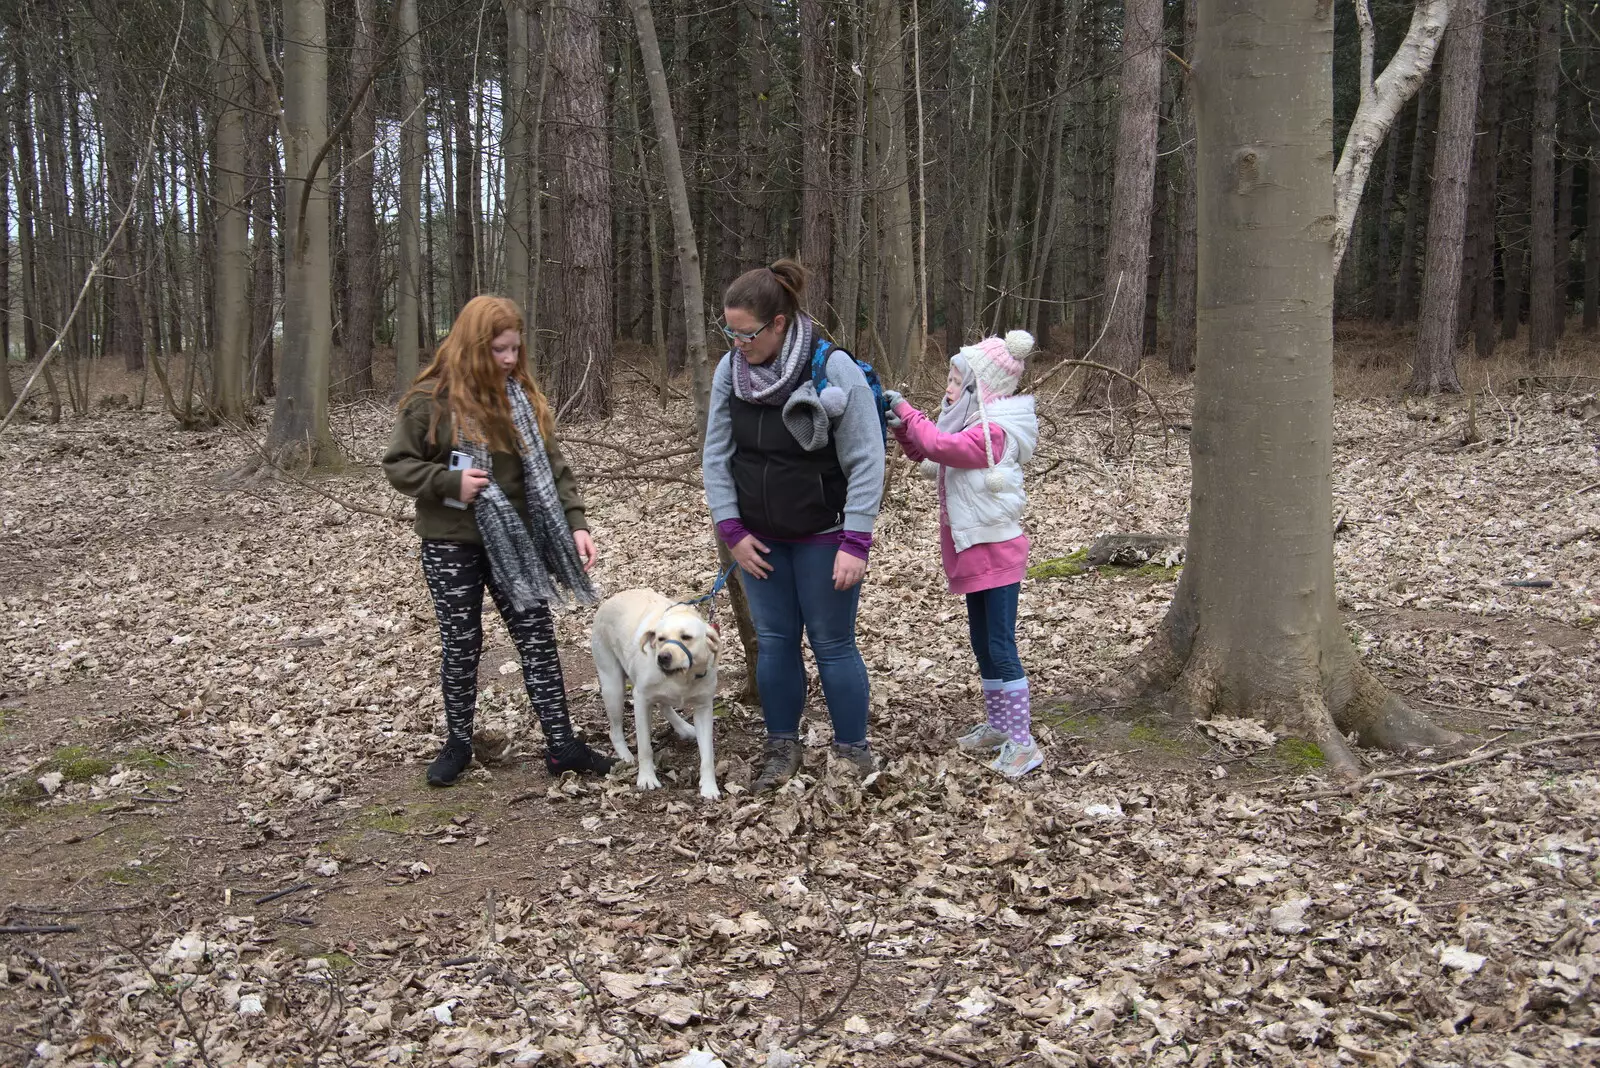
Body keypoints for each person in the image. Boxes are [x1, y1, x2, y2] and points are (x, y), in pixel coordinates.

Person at [382, 295, 615, 787]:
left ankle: (561, 745)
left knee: (537, 638)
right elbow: (399, 465)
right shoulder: (431, 400)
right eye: (498, 350)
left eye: (515, 348)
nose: (510, 359)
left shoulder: (522, 399)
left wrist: (577, 522)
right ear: (472, 347)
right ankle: (459, 743)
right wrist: (451, 483)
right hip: (451, 542)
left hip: (517, 540)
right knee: (462, 644)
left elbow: (553, 466)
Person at [702, 260, 886, 791]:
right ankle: (781, 746)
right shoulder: (729, 373)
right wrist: (731, 531)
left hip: (825, 536)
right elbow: (716, 456)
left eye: (747, 333)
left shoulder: (832, 369)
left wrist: (856, 539)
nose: (737, 343)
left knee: (833, 643)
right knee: (776, 642)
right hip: (759, 541)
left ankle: (853, 752)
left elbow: (866, 459)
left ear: (779, 323)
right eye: (729, 332)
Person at [884, 330, 1042, 778]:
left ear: (981, 387)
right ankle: (998, 725)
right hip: (973, 550)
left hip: (997, 552)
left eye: (956, 381)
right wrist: (900, 425)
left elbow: (941, 446)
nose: (948, 388)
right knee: (982, 643)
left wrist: (906, 410)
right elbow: (928, 454)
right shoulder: (971, 427)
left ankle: (1022, 741)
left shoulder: (995, 434)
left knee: (1000, 644)